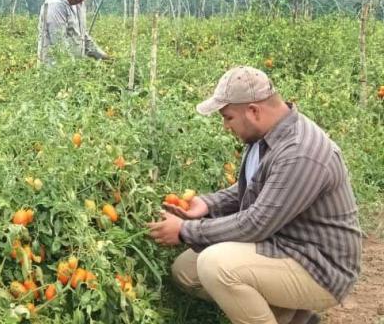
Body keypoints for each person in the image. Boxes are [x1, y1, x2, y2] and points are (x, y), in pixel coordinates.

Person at [147, 66, 362, 324]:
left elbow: (255, 224)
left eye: (228, 117)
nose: (226, 126)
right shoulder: (266, 136)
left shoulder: (299, 152)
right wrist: (207, 203)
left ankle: (289, 312)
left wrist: (185, 230)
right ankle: (292, 317)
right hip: (283, 244)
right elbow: (253, 187)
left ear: (253, 111)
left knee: (216, 266)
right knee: (186, 271)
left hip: (319, 267)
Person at [37, 0, 110, 64]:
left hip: (72, 69)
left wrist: (103, 56)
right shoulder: (56, 5)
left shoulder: (79, 4)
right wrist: (73, 69)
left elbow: (83, 37)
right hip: (54, 71)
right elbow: (59, 44)